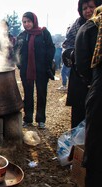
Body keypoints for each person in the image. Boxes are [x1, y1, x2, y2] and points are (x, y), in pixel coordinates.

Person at [75, 5, 102, 186]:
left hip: (99, 88)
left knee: (96, 139)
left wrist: (91, 81)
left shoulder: (91, 26)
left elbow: (81, 61)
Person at [14, 12, 55, 129]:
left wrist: (46, 64)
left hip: (41, 70)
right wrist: (19, 64)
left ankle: (41, 119)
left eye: (29, 21)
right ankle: (28, 119)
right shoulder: (22, 35)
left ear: (34, 21)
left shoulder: (43, 33)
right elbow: (16, 51)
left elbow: (51, 48)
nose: (26, 24)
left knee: (41, 94)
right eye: (24, 22)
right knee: (28, 94)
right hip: (26, 71)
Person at [65, 0, 100, 128]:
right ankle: (76, 143)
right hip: (79, 77)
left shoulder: (99, 26)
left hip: (96, 76)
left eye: (91, 7)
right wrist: (71, 54)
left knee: (95, 114)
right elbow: (67, 45)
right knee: (78, 113)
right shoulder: (78, 25)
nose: (88, 11)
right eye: (84, 8)